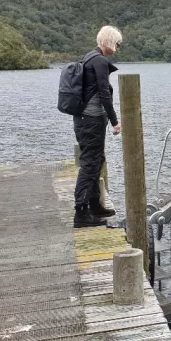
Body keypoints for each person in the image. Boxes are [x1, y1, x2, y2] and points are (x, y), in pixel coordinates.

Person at [74, 26, 122, 228]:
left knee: (96, 160)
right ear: (110, 41)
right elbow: (104, 94)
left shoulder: (89, 56)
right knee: (90, 164)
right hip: (92, 120)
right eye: (117, 43)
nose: (118, 47)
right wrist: (115, 121)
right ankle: (81, 213)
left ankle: (94, 205)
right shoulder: (100, 61)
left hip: (83, 120)